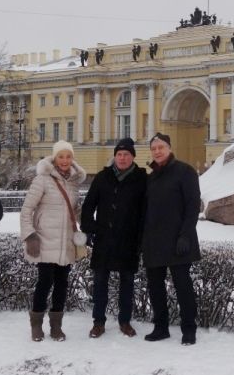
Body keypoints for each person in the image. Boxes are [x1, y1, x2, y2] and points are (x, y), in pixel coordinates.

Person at [19, 140, 88, 341]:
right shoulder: (42, 179)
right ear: (54, 158)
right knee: (44, 282)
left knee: (61, 284)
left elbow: (73, 211)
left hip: (66, 242)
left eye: (68, 156)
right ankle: (36, 326)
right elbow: (26, 209)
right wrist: (29, 235)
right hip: (45, 239)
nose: (65, 160)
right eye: (61, 156)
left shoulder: (75, 182)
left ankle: (56, 327)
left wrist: (81, 213)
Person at [80, 137, 147, 338]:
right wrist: (90, 229)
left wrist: (141, 238)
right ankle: (98, 321)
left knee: (127, 283)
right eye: (119, 154)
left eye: (126, 154)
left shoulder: (142, 179)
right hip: (104, 239)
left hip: (129, 240)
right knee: (100, 282)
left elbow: (146, 211)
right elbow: (88, 206)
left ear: (133, 157)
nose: (122, 158)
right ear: (114, 156)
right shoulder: (103, 177)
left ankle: (125, 321)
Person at [141, 133, 201, 345]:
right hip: (154, 241)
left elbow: (193, 206)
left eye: (161, 147)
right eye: (154, 148)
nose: (157, 151)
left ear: (169, 148)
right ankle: (161, 327)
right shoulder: (150, 177)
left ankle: (189, 329)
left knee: (183, 286)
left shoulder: (185, 172)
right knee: (155, 287)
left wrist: (185, 235)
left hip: (178, 241)